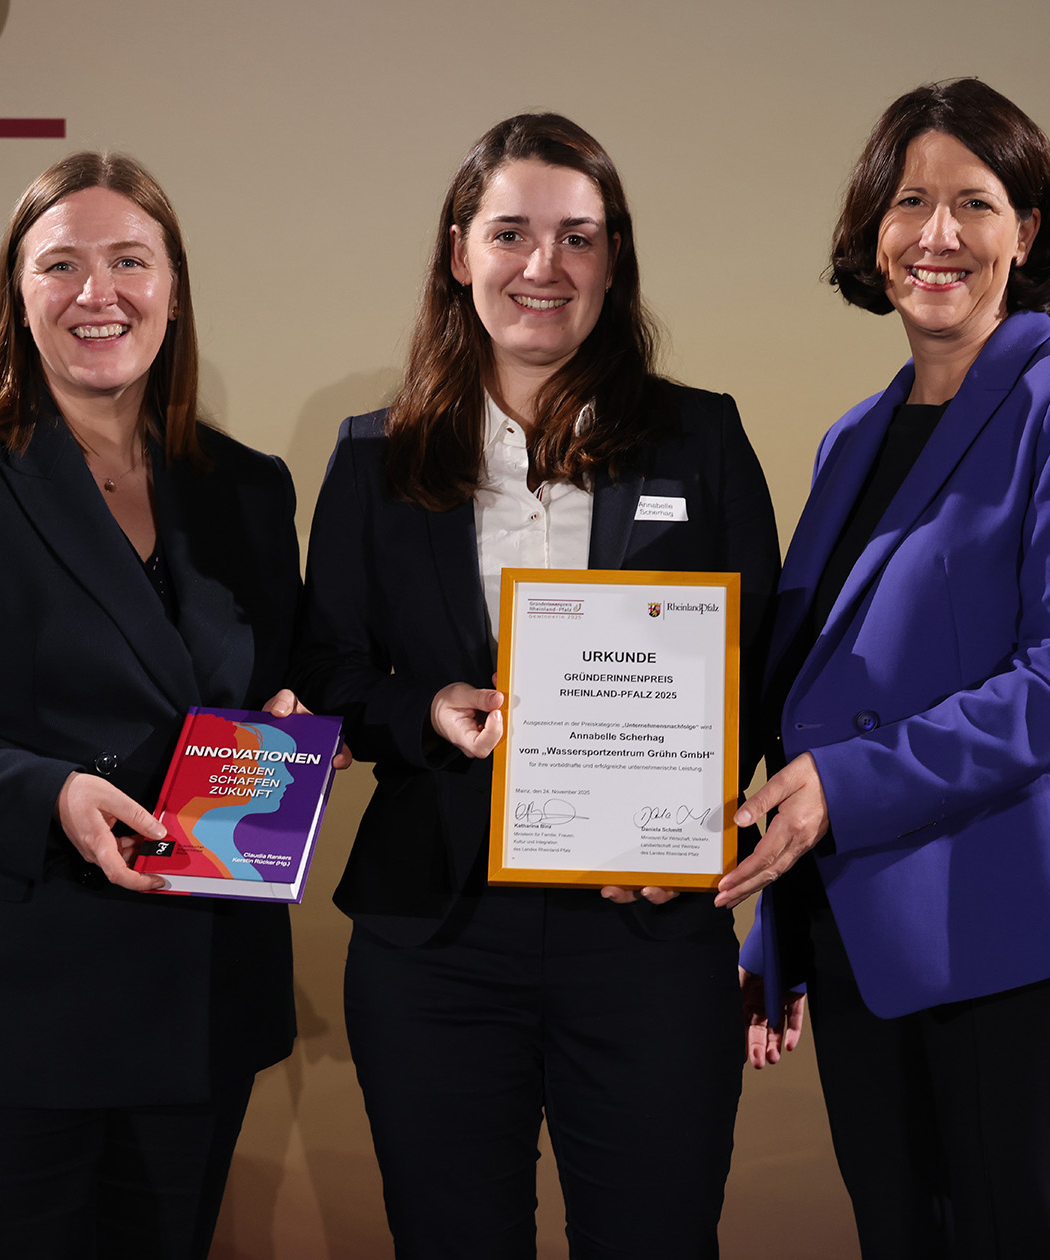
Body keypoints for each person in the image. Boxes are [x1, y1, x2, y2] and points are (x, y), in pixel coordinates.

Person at [293, 113, 779, 1259]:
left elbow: (759, 659)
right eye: (511, 232)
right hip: (438, 943)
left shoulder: (700, 441)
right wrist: (422, 712)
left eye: (578, 237)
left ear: (615, 260)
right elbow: (327, 671)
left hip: (648, 938)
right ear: (459, 251)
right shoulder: (376, 458)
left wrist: (697, 837)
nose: (542, 267)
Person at [0, 151, 310, 1258]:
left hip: (189, 1011)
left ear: (173, 289)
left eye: (131, 261)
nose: (101, 293)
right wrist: (47, 796)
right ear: (17, 293)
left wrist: (285, 729)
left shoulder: (247, 488)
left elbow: (279, 688)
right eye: (63, 265)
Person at [725, 80, 1050, 1258]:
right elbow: (813, 693)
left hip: (1024, 937)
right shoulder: (849, 439)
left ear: (1027, 231)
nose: (937, 235)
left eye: (975, 202)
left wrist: (843, 791)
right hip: (874, 946)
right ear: (872, 233)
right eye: (910, 200)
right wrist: (784, 919)